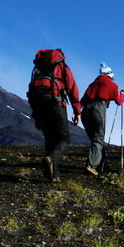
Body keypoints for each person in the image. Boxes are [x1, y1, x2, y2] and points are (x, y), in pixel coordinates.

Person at [28, 49, 82, 183]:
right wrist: (77, 111)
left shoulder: (38, 67)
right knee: (64, 138)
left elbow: (31, 89)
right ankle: (52, 159)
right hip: (57, 104)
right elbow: (72, 88)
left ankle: (54, 175)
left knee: (50, 138)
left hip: (40, 105)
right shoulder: (61, 66)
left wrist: (35, 112)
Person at [80, 63, 124, 176]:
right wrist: (122, 94)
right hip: (98, 109)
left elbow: (83, 100)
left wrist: (76, 113)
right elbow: (119, 102)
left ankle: (98, 163)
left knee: (94, 139)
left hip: (85, 111)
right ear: (110, 75)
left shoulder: (92, 84)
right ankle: (92, 166)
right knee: (98, 139)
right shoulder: (112, 85)